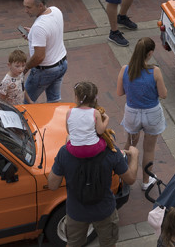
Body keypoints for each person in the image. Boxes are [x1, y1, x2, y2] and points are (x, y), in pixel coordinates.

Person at [47, 139, 138, 247]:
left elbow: (52, 185)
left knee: (73, 244)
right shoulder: (111, 151)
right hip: (104, 211)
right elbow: (130, 179)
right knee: (108, 244)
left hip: (76, 212)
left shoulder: (65, 152)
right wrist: (135, 155)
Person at [117, 37, 168, 189]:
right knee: (149, 149)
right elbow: (163, 94)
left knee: (131, 144)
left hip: (132, 113)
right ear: (150, 53)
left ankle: (123, 176)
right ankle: (146, 181)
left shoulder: (125, 69)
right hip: (152, 113)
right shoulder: (155, 71)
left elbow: (120, 92)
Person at [21, 0, 68, 103]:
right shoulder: (56, 10)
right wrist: (32, 35)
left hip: (45, 71)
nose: (26, 10)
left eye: (28, 7)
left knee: (25, 102)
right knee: (54, 100)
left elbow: (39, 57)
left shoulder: (39, 27)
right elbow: (51, 34)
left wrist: (25, 68)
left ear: (40, 5)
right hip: (62, 63)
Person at [66, 81, 111, 159]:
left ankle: (67, 156)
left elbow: (69, 131)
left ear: (76, 97)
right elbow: (100, 131)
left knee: (68, 137)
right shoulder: (95, 113)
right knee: (106, 140)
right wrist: (107, 119)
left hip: (74, 150)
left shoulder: (69, 112)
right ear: (94, 98)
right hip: (93, 149)